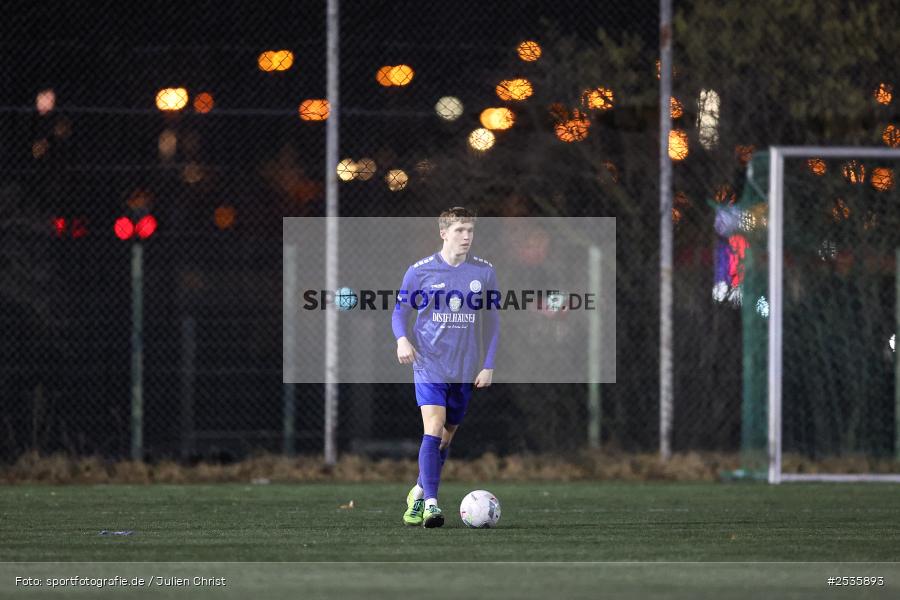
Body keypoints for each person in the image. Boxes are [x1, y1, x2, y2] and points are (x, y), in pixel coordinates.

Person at [391, 207, 500, 528]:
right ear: (443, 233)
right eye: (459, 230)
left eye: (470, 230)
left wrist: (488, 364)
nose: (466, 236)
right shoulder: (420, 271)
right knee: (433, 428)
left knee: (445, 439)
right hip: (429, 363)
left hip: (464, 368)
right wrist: (402, 340)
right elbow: (399, 313)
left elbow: (493, 323)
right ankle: (432, 505)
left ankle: (419, 492)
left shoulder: (484, 273)